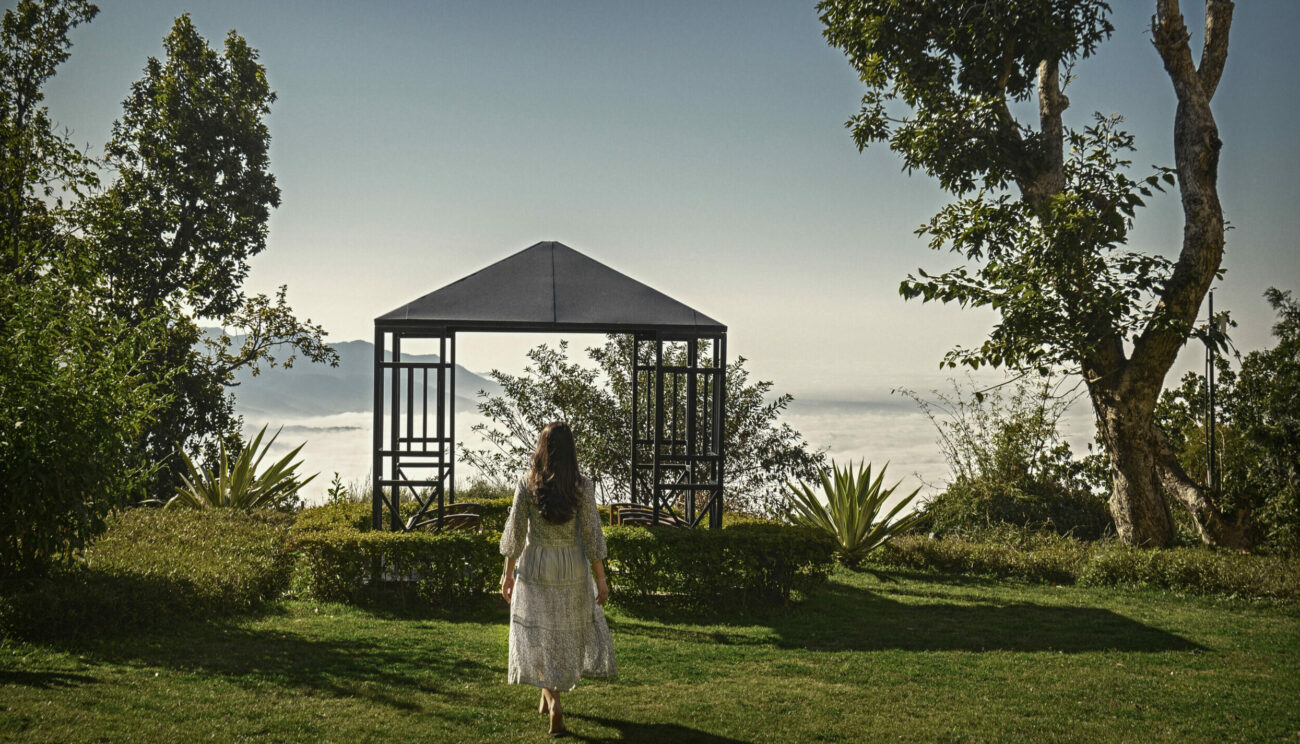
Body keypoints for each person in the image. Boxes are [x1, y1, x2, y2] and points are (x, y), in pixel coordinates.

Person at [500, 421, 616, 738]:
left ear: (542, 449)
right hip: (571, 568)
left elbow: (515, 533)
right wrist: (601, 578)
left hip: (536, 566)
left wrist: (507, 574)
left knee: (539, 636)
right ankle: (550, 698)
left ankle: (553, 704)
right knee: (562, 635)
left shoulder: (527, 484)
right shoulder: (582, 486)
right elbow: (592, 535)